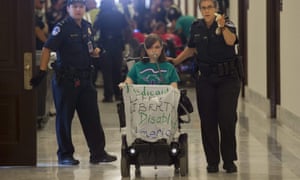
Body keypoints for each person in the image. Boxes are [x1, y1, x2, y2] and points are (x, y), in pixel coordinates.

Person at [30, 0, 117, 165]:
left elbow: (90, 48)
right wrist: (42, 71)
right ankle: (65, 155)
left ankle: (98, 153)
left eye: (81, 7)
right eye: (75, 7)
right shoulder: (62, 27)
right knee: (64, 119)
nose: (78, 10)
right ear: (68, 8)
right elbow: (48, 48)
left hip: (85, 79)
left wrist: (99, 52)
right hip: (66, 81)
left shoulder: (86, 26)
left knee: (92, 118)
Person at [169, 0, 241, 173]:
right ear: (200, 9)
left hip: (228, 79)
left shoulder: (227, 23)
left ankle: (229, 160)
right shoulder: (197, 27)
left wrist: (222, 27)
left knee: (226, 119)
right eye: (204, 8)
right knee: (208, 121)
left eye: (210, 7)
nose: (207, 10)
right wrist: (176, 61)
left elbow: (231, 42)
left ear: (215, 8)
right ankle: (212, 161)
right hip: (206, 79)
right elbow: (191, 48)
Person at [93, 0, 129, 102]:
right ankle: (118, 94)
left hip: (105, 44)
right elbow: (127, 29)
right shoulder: (119, 14)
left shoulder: (101, 15)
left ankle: (108, 95)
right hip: (117, 44)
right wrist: (125, 42)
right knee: (117, 70)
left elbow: (94, 29)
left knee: (106, 71)